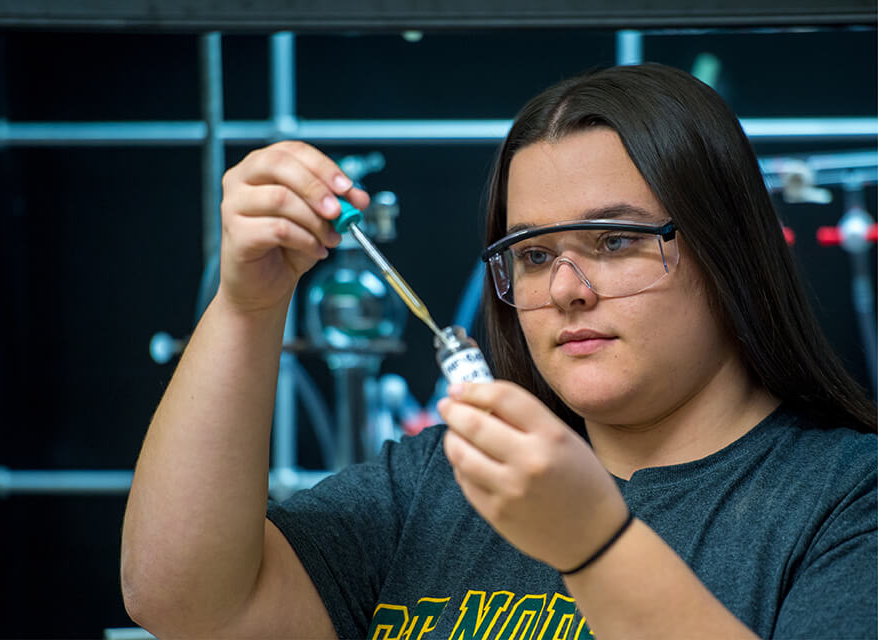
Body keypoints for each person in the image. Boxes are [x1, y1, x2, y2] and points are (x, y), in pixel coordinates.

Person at [120, 62, 877, 639]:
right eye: (534, 255)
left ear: (728, 249)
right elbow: (184, 604)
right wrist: (248, 304)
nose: (567, 289)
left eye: (614, 241)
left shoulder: (846, 501)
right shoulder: (435, 484)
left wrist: (593, 544)